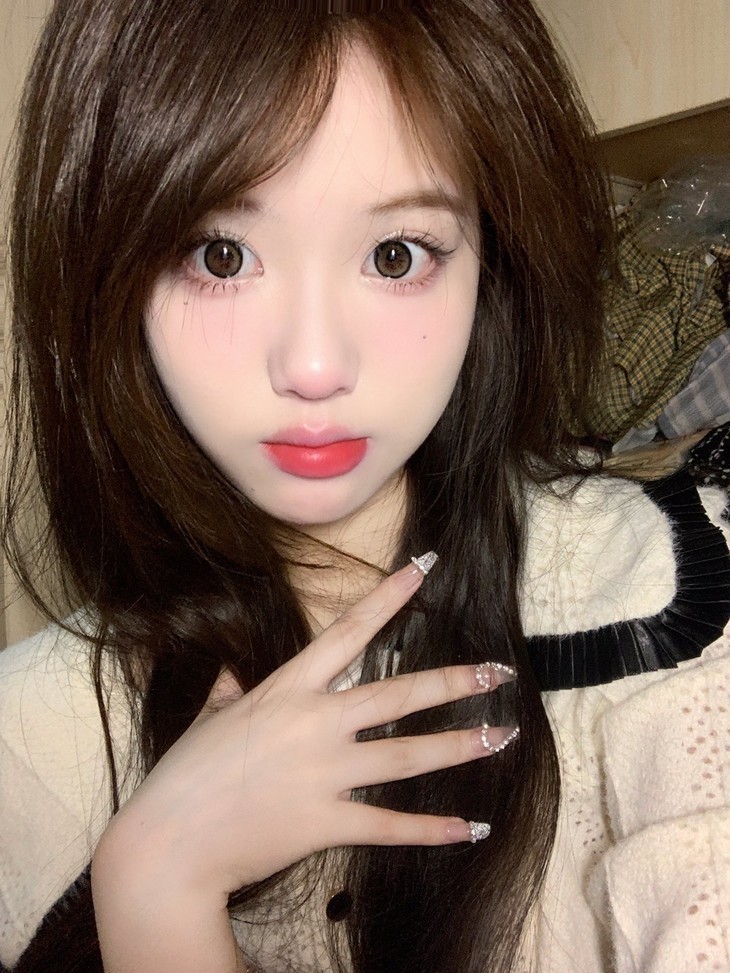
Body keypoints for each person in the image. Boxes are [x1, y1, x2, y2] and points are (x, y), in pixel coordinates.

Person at [1, 1, 728, 971]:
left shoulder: (669, 611)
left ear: (490, 265)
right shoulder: (29, 740)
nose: (313, 366)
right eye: (221, 255)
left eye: (396, 254)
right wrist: (156, 886)